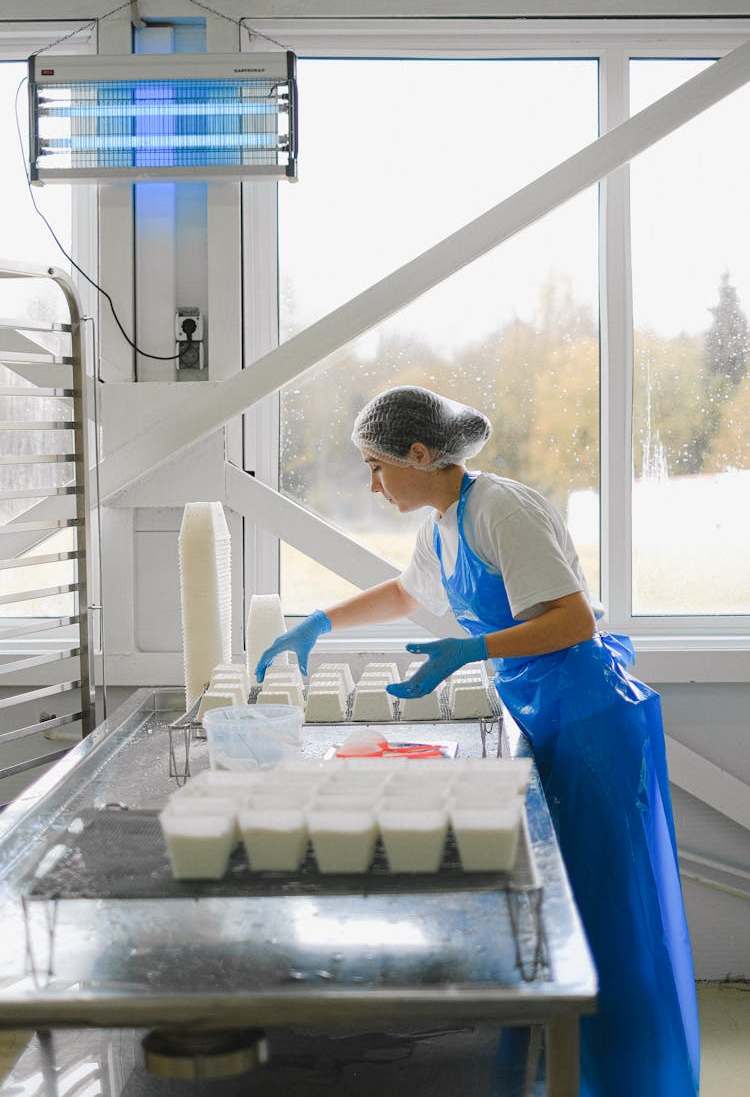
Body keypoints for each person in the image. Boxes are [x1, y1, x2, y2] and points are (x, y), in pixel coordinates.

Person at [256, 385, 700, 1097]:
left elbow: (573, 620)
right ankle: (565, 1074)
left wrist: (472, 651)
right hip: (544, 713)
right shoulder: (443, 523)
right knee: (559, 904)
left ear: (420, 453)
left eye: (376, 465)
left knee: (607, 908)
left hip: (590, 716)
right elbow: (407, 594)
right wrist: (319, 622)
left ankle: (627, 1079)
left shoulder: (501, 508)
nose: (372, 484)